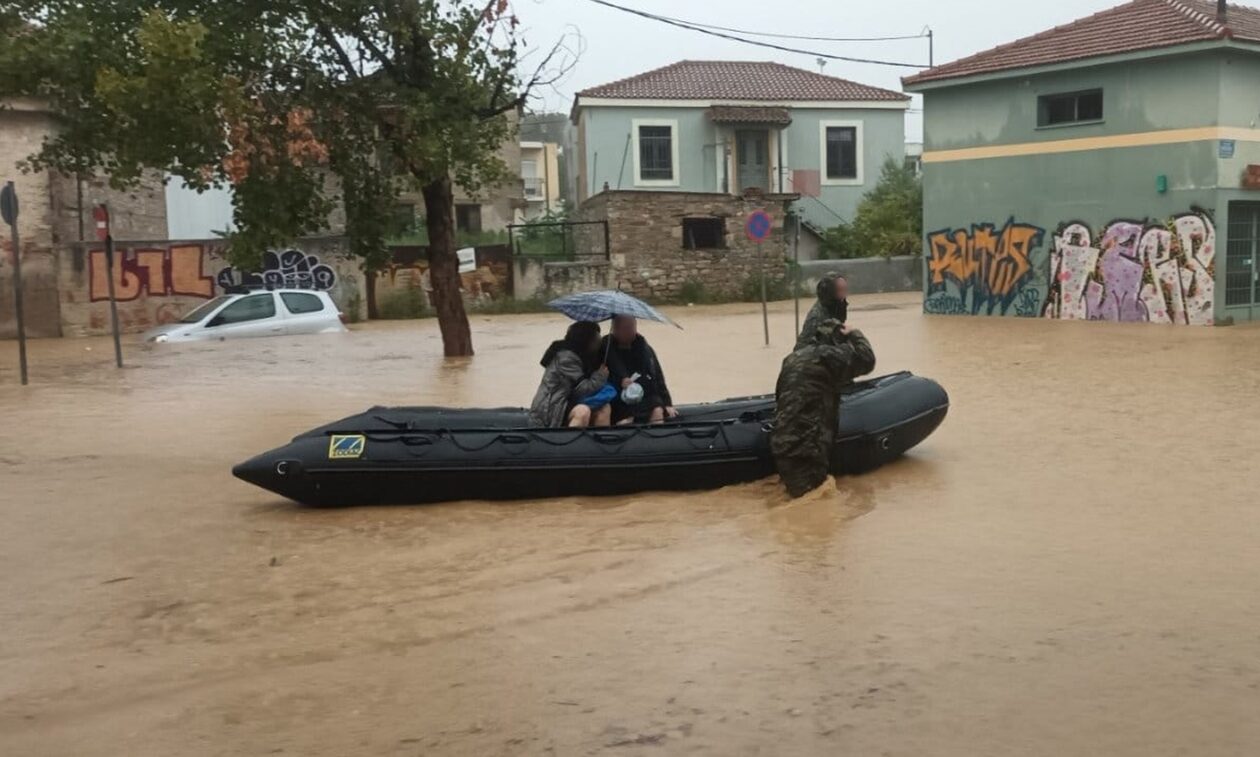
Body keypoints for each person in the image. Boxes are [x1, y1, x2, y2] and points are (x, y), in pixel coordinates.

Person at [772, 318, 876, 498]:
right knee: (811, 509)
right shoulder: (829, 356)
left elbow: (779, 397)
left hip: (781, 444)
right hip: (807, 449)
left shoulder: (790, 359)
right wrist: (854, 333)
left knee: (795, 500)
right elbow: (867, 359)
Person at [528, 321, 613, 428]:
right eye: (595, 338)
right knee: (583, 411)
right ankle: (570, 444)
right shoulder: (566, 358)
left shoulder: (585, 355)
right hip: (552, 408)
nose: (598, 341)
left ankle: (601, 443)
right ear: (585, 340)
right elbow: (584, 389)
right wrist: (601, 375)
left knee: (604, 407)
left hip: (568, 402)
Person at [601, 315, 677, 425]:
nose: (631, 331)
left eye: (632, 327)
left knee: (657, 407)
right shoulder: (606, 349)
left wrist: (667, 403)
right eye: (626, 328)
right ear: (615, 329)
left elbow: (657, 376)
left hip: (642, 396)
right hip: (617, 397)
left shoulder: (644, 348)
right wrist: (620, 380)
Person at [795, 273, 849, 350]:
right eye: (840, 290)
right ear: (830, 292)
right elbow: (805, 345)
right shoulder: (817, 316)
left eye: (845, 289)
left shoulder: (837, 305)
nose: (844, 294)